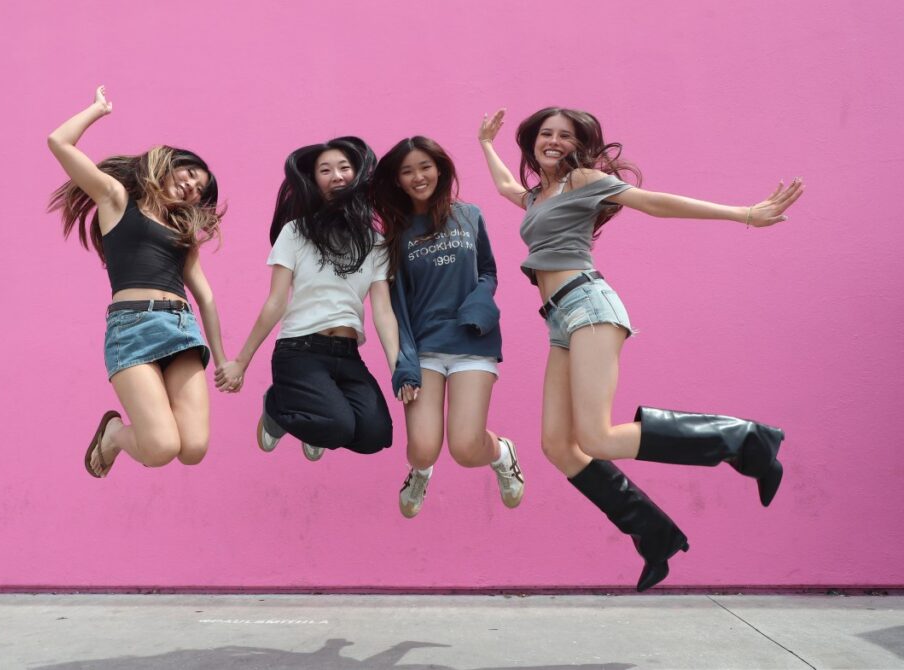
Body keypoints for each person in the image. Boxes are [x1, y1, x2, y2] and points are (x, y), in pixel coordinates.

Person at [478, 106, 803, 590]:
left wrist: (745, 214)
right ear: (532, 143)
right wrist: (485, 143)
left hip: (589, 306)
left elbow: (654, 202)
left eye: (564, 136)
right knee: (557, 447)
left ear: (578, 146)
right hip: (560, 321)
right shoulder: (536, 197)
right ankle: (653, 532)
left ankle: (743, 440)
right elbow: (506, 188)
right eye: (545, 134)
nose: (553, 141)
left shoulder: (584, 180)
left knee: (598, 438)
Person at [47, 85, 230, 478]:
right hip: (132, 327)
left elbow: (206, 298)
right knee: (161, 447)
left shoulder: (183, 236)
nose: (192, 187)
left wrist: (222, 357)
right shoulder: (115, 199)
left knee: (194, 448)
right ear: (171, 163)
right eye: (190, 174)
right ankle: (113, 435)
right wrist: (96, 110)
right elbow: (58, 142)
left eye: (199, 191)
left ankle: (120, 436)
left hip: (181, 329)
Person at [372, 136, 524, 518]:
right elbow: (392, 306)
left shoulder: (469, 214)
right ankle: (420, 472)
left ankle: (503, 453)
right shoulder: (394, 234)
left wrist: (479, 300)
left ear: (440, 169)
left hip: (472, 339)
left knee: (466, 449)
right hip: (423, 347)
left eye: (425, 166)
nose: (418, 176)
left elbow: (487, 269)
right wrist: (401, 363)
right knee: (422, 449)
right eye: (407, 171)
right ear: (397, 181)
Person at [218, 137, 397, 460]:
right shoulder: (295, 232)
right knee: (338, 427)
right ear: (314, 181)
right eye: (325, 170)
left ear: (356, 174)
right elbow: (276, 302)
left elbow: (383, 311)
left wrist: (398, 367)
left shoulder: (375, 242)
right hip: (300, 351)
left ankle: (317, 416)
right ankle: (278, 406)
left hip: (347, 354)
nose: (337, 175)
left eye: (344, 167)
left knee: (376, 436)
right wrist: (241, 362)